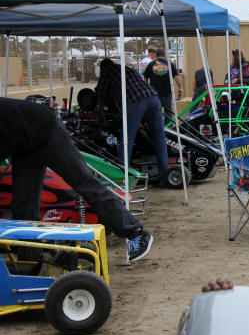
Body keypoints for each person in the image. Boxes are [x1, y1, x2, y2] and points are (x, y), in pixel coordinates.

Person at [0, 97, 153, 262]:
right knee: (23, 206)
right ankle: (30, 261)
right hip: (24, 145)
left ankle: (136, 232)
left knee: (85, 184)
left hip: (47, 130)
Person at [95, 58, 169, 186]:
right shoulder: (127, 69)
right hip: (153, 98)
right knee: (160, 138)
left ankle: (121, 176)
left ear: (102, 68)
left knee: (127, 139)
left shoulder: (107, 72)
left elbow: (100, 94)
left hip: (135, 102)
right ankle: (164, 175)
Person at [143, 47, 183, 124]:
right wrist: (180, 88)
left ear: (156, 55)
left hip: (154, 93)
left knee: (156, 111)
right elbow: (177, 77)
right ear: (164, 54)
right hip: (167, 92)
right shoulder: (169, 64)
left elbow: (145, 76)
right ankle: (169, 127)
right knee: (168, 111)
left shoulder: (151, 64)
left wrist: (147, 87)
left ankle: (158, 126)